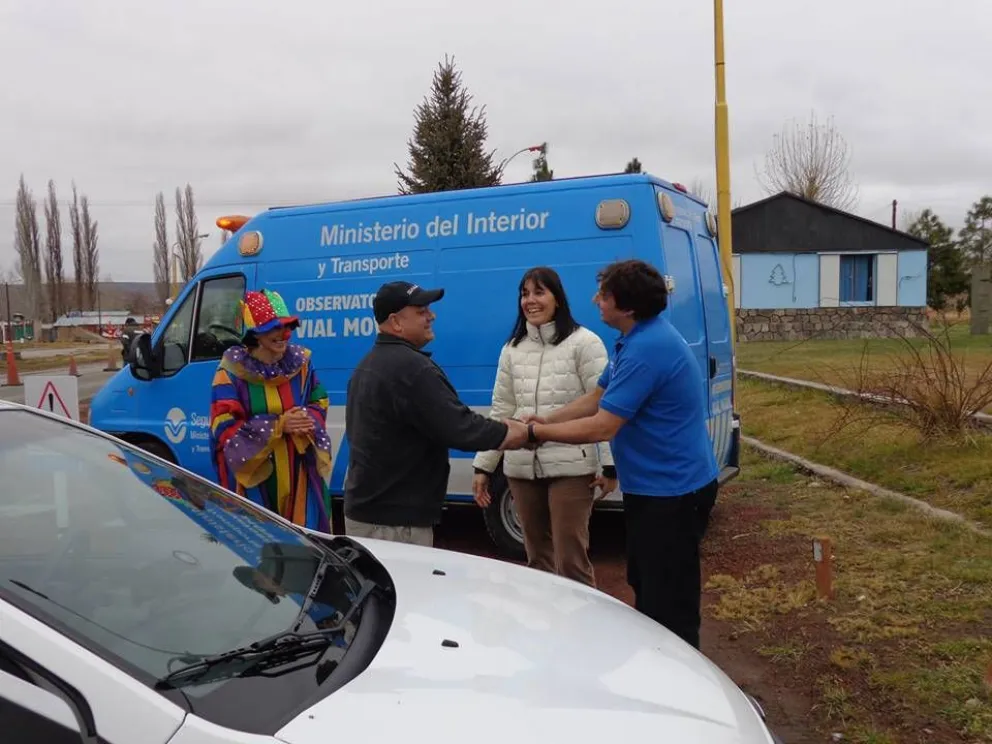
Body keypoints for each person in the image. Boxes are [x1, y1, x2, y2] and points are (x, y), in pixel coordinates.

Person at [520, 259, 719, 651]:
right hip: (655, 489)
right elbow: (598, 396)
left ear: (626, 306)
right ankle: (659, 661)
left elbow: (603, 426)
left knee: (668, 600)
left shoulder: (648, 348)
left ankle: (676, 669)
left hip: (673, 493)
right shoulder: (635, 338)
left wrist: (535, 433)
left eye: (603, 295)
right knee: (646, 581)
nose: (596, 300)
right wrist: (547, 419)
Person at [343, 280, 529, 547]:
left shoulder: (367, 365)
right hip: (395, 524)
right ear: (395, 322)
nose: (432, 316)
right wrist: (517, 433)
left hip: (371, 514)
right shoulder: (412, 369)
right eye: (421, 311)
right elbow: (460, 427)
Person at [471, 266, 615, 587]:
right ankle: (544, 619)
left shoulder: (585, 343)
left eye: (539, 292)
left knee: (571, 560)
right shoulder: (512, 349)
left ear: (557, 298)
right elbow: (501, 410)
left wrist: (609, 464)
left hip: (572, 467)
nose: (530, 300)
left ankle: (584, 618)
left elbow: (605, 406)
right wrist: (484, 466)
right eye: (525, 294)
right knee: (537, 561)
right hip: (521, 468)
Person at [209, 289, 333, 533]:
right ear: (255, 333)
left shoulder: (301, 364)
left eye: (287, 326)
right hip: (255, 481)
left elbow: (319, 400)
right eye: (275, 328)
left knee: (303, 540)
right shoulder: (230, 372)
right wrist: (277, 426)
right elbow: (223, 428)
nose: (284, 334)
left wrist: (306, 419)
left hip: (299, 475)